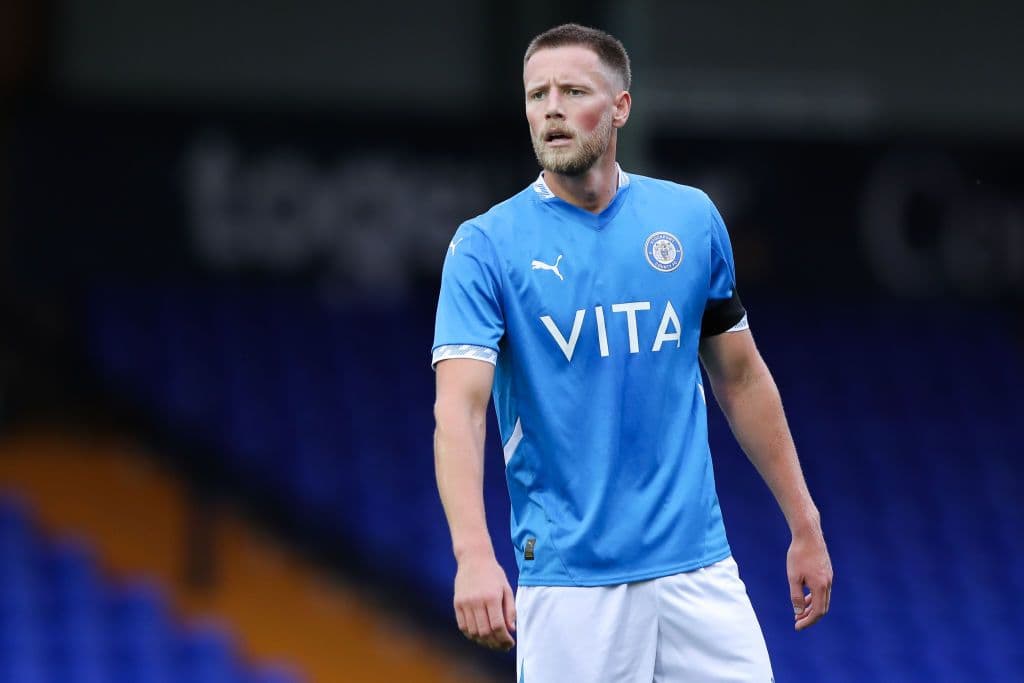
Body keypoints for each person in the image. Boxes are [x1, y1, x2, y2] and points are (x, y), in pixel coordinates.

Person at [431, 23, 832, 682]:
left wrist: (804, 520)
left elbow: (741, 377)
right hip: (572, 584)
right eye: (537, 94)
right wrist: (472, 552)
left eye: (572, 90)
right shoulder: (485, 247)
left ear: (619, 107)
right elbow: (460, 409)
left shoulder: (690, 219)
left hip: (699, 568)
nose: (551, 108)